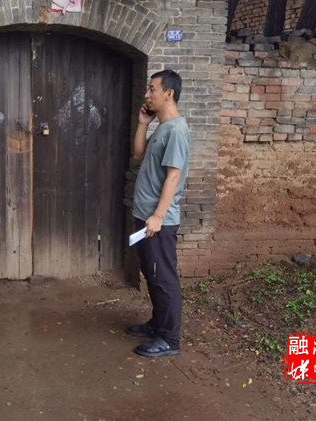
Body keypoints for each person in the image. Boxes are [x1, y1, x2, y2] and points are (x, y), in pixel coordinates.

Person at [126, 69, 190, 358]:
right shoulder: (162, 127)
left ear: (169, 93)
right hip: (147, 216)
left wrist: (159, 216)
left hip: (158, 221)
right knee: (152, 274)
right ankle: (158, 324)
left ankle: (169, 339)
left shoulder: (176, 130)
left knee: (163, 278)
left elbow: (174, 175)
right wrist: (143, 124)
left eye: (152, 89)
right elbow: (138, 154)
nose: (147, 94)